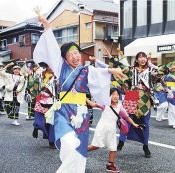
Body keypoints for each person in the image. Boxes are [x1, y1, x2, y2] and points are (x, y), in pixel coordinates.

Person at [33, 11, 126, 173]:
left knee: (80, 148)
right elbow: (53, 46)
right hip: (64, 111)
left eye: (77, 53)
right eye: (71, 54)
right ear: (64, 58)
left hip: (81, 113)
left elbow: (98, 73)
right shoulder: (60, 67)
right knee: (70, 143)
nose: (75, 56)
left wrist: (112, 70)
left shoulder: (85, 70)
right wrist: (46, 25)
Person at [88, 88, 139, 173]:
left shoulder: (120, 107)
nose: (115, 96)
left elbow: (126, 117)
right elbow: (93, 104)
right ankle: (80, 152)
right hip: (102, 129)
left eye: (117, 94)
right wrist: (83, 97)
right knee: (95, 146)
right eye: (113, 94)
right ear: (109, 96)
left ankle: (110, 165)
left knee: (113, 148)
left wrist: (134, 124)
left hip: (111, 130)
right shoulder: (105, 105)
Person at [32, 65, 56, 149]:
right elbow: (34, 87)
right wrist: (34, 94)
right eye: (50, 67)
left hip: (52, 102)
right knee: (39, 122)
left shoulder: (56, 78)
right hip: (40, 101)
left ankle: (51, 141)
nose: (52, 69)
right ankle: (36, 126)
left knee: (51, 123)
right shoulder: (40, 76)